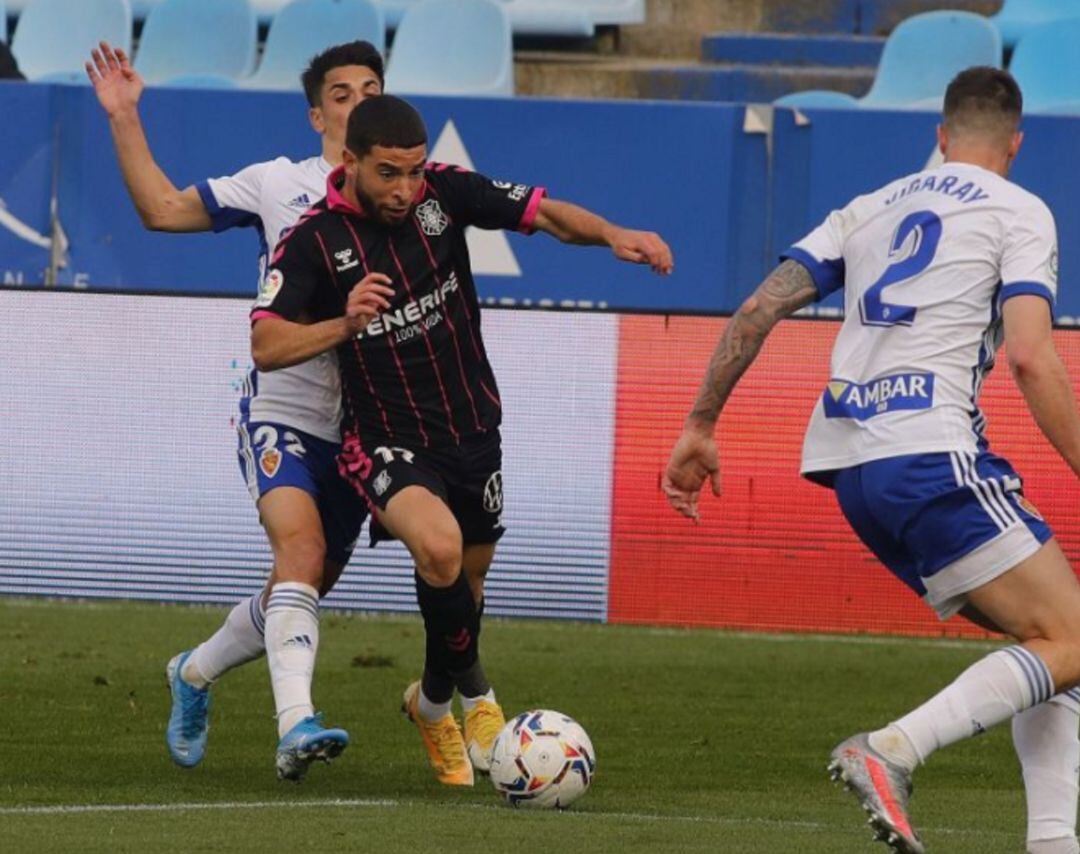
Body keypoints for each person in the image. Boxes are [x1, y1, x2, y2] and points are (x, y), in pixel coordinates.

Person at [664, 67, 1080, 854]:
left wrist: (699, 424)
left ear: (940, 135)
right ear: (1015, 144)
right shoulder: (1021, 210)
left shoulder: (869, 207)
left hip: (852, 472)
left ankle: (1053, 845)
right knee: (1072, 640)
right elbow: (1031, 357)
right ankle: (893, 748)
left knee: (1052, 643)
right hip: (929, 453)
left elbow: (759, 308)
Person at [253, 93, 673, 786]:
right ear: (351, 161)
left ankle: (432, 703)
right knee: (440, 548)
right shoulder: (312, 241)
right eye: (389, 173)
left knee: (466, 583)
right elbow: (266, 344)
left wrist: (612, 234)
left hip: (473, 427)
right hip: (384, 437)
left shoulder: (444, 194)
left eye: (414, 172)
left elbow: (544, 214)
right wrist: (344, 325)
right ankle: (480, 700)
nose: (405, 189)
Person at [86, 39, 386, 782]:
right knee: (301, 557)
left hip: (365, 428)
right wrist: (124, 116)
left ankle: (192, 671)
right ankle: (296, 725)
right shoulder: (278, 184)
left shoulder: (410, 197)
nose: (357, 103)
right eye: (342, 94)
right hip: (283, 410)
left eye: (371, 90)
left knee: (299, 586)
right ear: (317, 113)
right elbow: (160, 209)